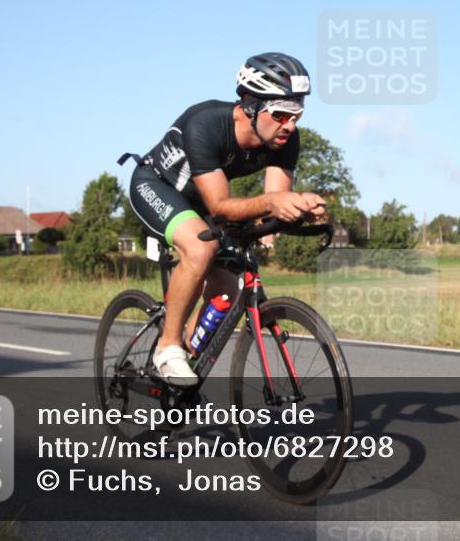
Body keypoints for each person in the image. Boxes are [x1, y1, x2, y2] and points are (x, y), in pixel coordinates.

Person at [123, 52, 326, 385]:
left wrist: (301, 207)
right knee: (200, 248)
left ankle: (185, 360)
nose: (290, 125)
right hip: (157, 186)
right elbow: (219, 207)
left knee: (226, 290)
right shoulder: (205, 123)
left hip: (201, 201)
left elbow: (271, 210)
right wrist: (274, 203)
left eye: (297, 114)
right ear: (249, 106)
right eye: (279, 114)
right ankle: (167, 347)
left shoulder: (286, 138)